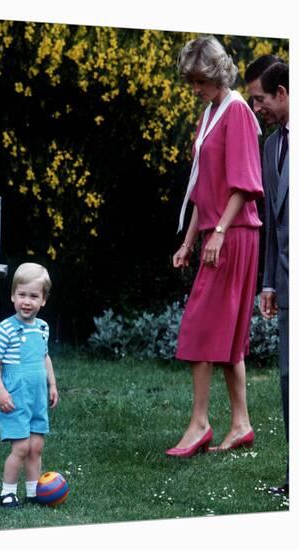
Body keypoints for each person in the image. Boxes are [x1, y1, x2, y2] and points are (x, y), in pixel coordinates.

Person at [166, 36, 264, 458]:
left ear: (217, 73)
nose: (195, 88)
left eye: (200, 79)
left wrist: (219, 231)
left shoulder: (237, 111)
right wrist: (190, 239)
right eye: (191, 80)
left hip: (235, 232)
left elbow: (245, 185)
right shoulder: (210, 113)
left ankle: (200, 424)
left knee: (200, 326)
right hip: (215, 232)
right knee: (226, 335)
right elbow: (203, 188)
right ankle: (241, 424)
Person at [246, 60, 289, 495]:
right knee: (288, 380)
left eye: (259, 99)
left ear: (282, 92)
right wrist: (270, 282)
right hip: (288, 281)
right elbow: (274, 221)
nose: (256, 108)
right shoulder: (271, 146)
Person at [0, 262, 59, 507]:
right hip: (15, 396)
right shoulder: (6, 328)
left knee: (36, 446)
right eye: (22, 295)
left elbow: (44, 357)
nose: (27, 301)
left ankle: (33, 491)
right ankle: (7, 492)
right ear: (12, 296)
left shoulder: (42, 328)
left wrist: (52, 385)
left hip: (37, 396)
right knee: (21, 447)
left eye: (33, 296)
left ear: (43, 300)